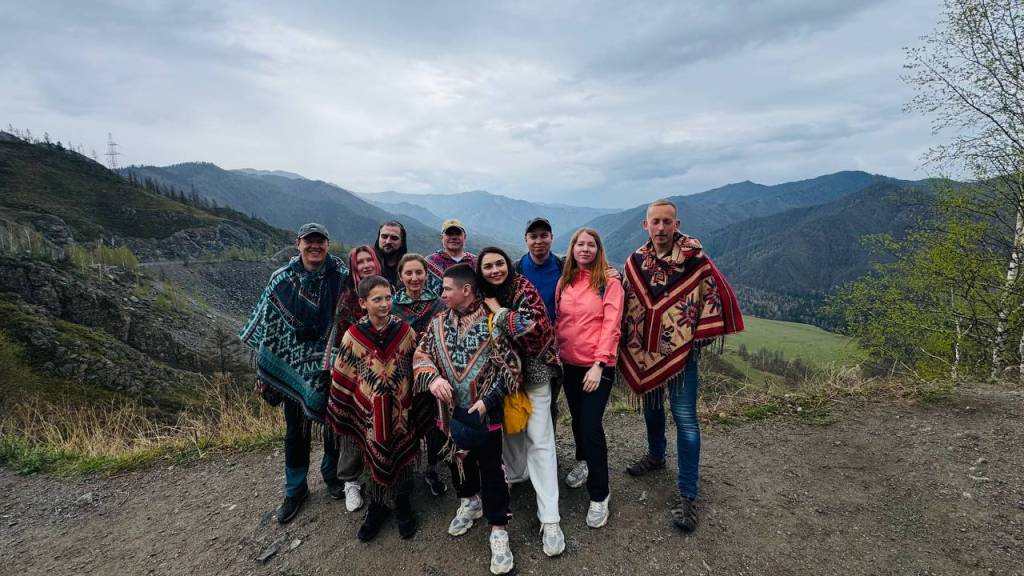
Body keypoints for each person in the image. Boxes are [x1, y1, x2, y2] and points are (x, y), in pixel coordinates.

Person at [619, 199, 744, 533]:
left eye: (667, 222)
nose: (661, 228)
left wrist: (692, 340)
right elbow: (627, 299)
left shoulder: (695, 261)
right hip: (646, 354)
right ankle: (657, 455)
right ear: (645, 225)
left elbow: (713, 297)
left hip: (680, 356)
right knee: (652, 407)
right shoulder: (636, 260)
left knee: (686, 419)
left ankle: (688, 492)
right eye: (655, 222)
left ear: (677, 224)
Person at [239, 222, 364, 524]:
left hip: (332, 365)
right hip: (291, 367)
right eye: (309, 241)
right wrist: (263, 373)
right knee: (296, 431)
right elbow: (267, 327)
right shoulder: (280, 280)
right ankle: (295, 490)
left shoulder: (343, 278)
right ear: (298, 244)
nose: (315, 246)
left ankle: (331, 476)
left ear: (327, 244)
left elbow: (352, 319)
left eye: (320, 241)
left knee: (333, 426)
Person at [413, 264, 518, 575]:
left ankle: (499, 529)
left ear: (466, 290)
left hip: (487, 411)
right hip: (450, 412)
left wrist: (490, 399)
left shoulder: (492, 322)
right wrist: (431, 379)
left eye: (446, 289)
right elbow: (421, 354)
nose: (441, 293)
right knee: (457, 460)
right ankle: (469, 501)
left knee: (492, 469)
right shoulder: (437, 323)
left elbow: (512, 365)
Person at [327, 275, 433, 542]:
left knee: (403, 454)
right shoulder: (353, 336)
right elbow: (344, 377)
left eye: (388, 298)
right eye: (377, 299)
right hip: (370, 414)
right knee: (373, 453)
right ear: (363, 303)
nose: (385, 304)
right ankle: (377, 505)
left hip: (401, 410)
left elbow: (415, 364)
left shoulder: (404, 331)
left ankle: (402, 502)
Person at [478, 247, 565, 557]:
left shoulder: (523, 288)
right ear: (480, 270)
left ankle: (550, 518)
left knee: (539, 439)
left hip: (535, 371)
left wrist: (500, 312)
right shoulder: (478, 294)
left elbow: (535, 329)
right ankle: (515, 475)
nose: (494, 270)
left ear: (508, 265)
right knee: (511, 433)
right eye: (487, 265)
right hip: (500, 380)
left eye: (499, 263)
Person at [555, 227, 623, 529]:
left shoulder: (608, 282)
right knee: (577, 419)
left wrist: (599, 364)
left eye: (590, 245)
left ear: (598, 249)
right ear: (572, 249)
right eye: (579, 244)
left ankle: (600, 494)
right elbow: (560, 320)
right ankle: (583, 462)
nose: (585, 249)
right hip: (568, 363)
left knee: (590, 425)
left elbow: (612, 325)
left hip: (598, 366)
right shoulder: (565, 281)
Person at [392, 253, 449, 497]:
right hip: (401, 377)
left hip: (432, 375)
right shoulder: (391, 306)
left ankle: (432, 468)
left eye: (419, 272)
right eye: (409, 273)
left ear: (427, 274)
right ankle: (406, 469)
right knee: (406, 424)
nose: (414, 278)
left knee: (434, 425)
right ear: (401, 276)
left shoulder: (439, 304)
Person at [374, 220, 408, 287]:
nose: (388, 241)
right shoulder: (369, 264)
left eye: (394, 238)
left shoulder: (408, 266)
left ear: (402, 242)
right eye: (384, 236)